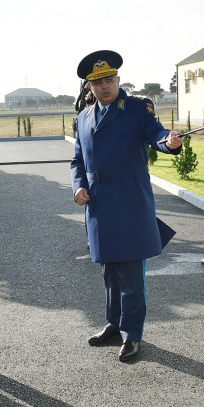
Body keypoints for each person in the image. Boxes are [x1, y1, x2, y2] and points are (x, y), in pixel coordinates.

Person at [70, 50, 183, 362]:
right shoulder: (83, 117)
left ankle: (132, 334)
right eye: (97, 82)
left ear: (118, 80)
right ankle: (113, 324)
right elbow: (77, 159)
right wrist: (78, 184)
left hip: (130, 202)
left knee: (132, 276)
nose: (104, 86)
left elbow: (156, 134)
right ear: (89, 87)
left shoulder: (135, 109)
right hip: (99, 205)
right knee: (110, 272)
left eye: (109, 79)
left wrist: (169, 141)